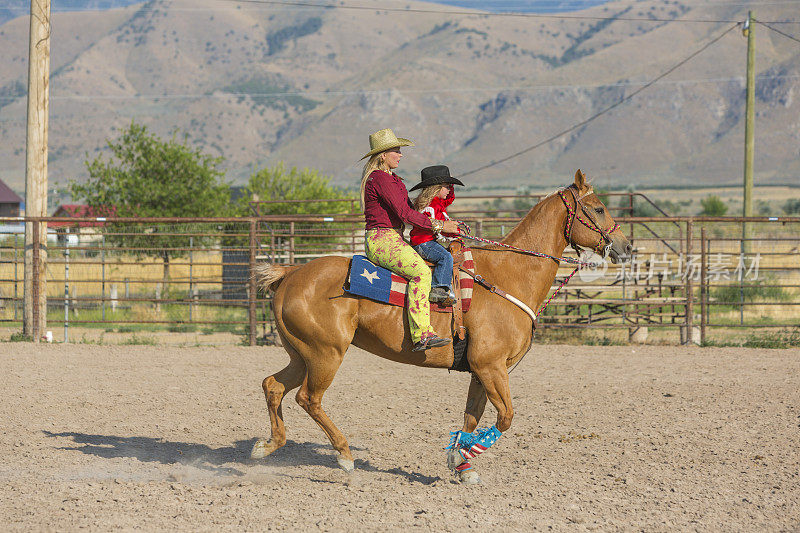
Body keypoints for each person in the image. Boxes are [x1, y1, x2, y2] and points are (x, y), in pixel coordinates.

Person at [359, 128, 459, 351]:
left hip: (394, 238)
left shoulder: (392, 179)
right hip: (382, 240)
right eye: (396, 151)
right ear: (383, 155)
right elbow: (404, 215)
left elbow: (408, 209)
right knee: (421, 273)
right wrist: (440, 226)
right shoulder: (380, 179)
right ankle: (421, 334)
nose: (400, 155)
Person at [409, 165, 464, 305]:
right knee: (445, 257)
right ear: (436, 188)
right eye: (446, 187)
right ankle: (438, 288)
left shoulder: (437, 202)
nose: (449, 190)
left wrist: (450, 184)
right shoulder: (431, 206)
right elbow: (440, 226)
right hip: (424, 243)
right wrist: (454, 233)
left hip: (427, 242)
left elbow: (448, 199)